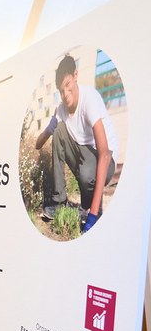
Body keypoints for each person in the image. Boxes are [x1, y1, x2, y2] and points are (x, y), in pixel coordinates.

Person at [36, 54, 118, 232]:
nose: (65, 95)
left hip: (105, 159)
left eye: (68, 86)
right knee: (59, 130)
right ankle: (59, 203)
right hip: (84, 158)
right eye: (61, 90)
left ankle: (91, 210)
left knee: (88, 171)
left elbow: (104, 154)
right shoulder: (61, 110)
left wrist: (93, 215)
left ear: (75, 76)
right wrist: (47, 131)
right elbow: (38, 144)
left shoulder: (90, 99)